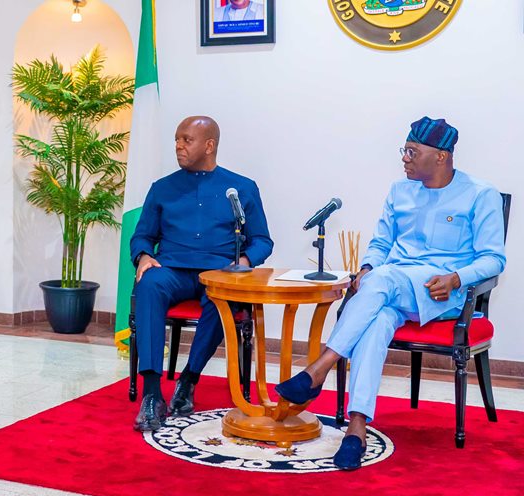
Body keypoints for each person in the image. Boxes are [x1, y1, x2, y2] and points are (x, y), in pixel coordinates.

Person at [275, 117, 506, 470]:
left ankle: (320, 368)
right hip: (393, 286)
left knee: (379, 283)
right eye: (405, 151)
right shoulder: (400, 190)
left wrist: (457, 278)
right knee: (377, 315)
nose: (405, 158)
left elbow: (493, 258)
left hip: (439, 292)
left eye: (413, 152)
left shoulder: (480, 194)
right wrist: (366, 267)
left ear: (441, 157)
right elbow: (382, 242)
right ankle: (356, 429)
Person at [131, 116, 273, 431]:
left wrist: (246, 260)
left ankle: (188, 380)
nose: (179, 146)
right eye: (177, 140)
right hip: (172, 271)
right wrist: (142, 256)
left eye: (187, 140)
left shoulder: (242, 189)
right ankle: (152, 393)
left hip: (218, 273)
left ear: (209, 145)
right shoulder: (162, 188)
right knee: (149, 283)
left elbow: (263, 240)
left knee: (223, 296)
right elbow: (142, 236)